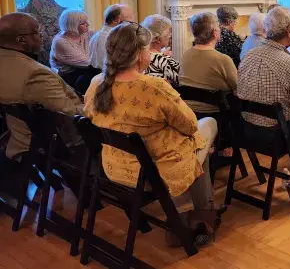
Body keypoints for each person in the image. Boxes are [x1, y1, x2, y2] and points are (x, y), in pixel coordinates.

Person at [84, 23, 221, 244]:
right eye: (148, 50)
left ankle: (200, 212)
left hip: (114, 167)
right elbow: (189, 125)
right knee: (206, 127)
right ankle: (200, 215)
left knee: (195, 141)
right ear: (139, 55)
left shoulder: (96, 84)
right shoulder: (154, 86)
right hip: (151, 172)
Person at [0, 12, 83, 160]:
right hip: (54, 145)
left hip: (19, 140)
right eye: (37, 31)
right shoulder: (35, 74)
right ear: (21, 40)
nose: (41, 36)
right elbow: (69, 114)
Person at [237, 7, 290, 156]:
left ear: (266, 29)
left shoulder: (248, 55)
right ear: (289, 31)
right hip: (276, 135)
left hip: (245, 130)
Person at [179, 12, 237, 114]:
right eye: (219, 27)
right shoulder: (223, 60)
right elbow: (238, 89)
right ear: (215, 32)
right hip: (215, 114)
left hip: (187, 112)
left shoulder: (186, 54)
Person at [50, 9, 99, 93]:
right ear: (72, 25)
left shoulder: (87, 33)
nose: (88, 25)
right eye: (83, 23)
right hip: (68, 76)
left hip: (86, 69)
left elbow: (104, 42)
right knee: (101, 73)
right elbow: (87, 62)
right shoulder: (61, 42)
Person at [89, 4, 134, 69]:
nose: (132, 22)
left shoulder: (96, 36)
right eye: (129, 18)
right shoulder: (109, 39)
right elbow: (110, 67)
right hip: (107, 76)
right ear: (115, 20)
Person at [142, 14, 179, 85]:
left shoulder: (136, 56)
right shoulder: (166, 61)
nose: (170, 36)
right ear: (158, 39)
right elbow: (185, 81)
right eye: (168, 33)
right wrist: (166, 58)